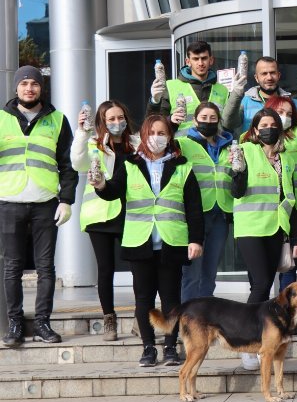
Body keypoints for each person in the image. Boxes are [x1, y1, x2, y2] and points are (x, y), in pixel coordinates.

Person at [91, 114, 203, 366]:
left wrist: (196, 240)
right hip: (140, 241)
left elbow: (194, 208)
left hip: (171, 241)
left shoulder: (182, 166)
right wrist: (100, 185)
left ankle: (171, 347)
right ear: (143, 136)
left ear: (170, 137)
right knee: (143, 298)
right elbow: (113, 191)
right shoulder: (129, 164)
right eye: (151, 133)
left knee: (171, 300)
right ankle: (148, 347)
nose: (156, 138)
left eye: (162, 133)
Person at [0, 66, 77, 347]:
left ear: (41, 88)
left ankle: (43, 322)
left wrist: (66, 199)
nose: (29, 88)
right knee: (12, 267)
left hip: (46, 202)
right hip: (9, 203)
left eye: (34, 83)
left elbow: (68, 166)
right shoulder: (1, 119)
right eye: (24, 84)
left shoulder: (57, 120)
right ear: (16, 88)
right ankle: (15, 324)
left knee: (46, 268)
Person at [231, 108, 297, 371]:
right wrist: (237, 172)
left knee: (266, 284)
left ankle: (261, 341)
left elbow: (289, 196)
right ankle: (245, 343)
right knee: (260, 285)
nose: (268, 128)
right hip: (251, 228)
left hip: (276, 228)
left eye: (273, 124)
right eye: (263, 125)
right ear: (255, 130)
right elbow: (236, 191)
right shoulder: (245, 151)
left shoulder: (286, 159)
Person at [71, 99, 139, 341]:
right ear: (102, 122)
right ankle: (109, 319)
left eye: (120, 117)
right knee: (106, 269)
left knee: (140, 268)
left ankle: (140, 319)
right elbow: (77, 163)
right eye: (111, 119)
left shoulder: (136, 144)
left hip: (132, 213)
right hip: (100, 215)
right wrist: (81, 132)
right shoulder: (93, 143)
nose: (117, 122)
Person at [177, 102, 233, 301]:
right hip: (195, 215)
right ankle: (188, 320)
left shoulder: (229, 145)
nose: (208, 122)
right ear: (195, 120)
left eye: (212, 118)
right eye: (204, 118)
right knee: (192, 272)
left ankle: (204, 317)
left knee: (210, 272)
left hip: (221, 214)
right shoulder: (184, 143)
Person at [148, 41, 242, 137]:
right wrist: (155, 102)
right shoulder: (171, 86)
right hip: (184, 148)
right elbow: (155, 123)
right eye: (196, 59)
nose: (200, 63)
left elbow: (229, 124)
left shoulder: (223, 90)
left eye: (204, 58)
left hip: (215, 147)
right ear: (188, 62)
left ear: (211, 60)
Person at [263, 96, 297, 291]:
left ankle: (286, 314)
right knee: (261, 279)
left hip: (288, 212)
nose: (284, 118)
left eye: (289, 114)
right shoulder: (251, 143)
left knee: (288, 266)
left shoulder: (296, 135)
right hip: (261, 217)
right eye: (280, 112)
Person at [226, 56, 297, 133]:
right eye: (264, 73)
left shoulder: (292, 103)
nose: (269, 77)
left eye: (273, 73)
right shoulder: (244, 102)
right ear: (256, 78)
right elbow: (228, 124)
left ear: (279, 75)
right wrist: (236, 93)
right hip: (251, 144)